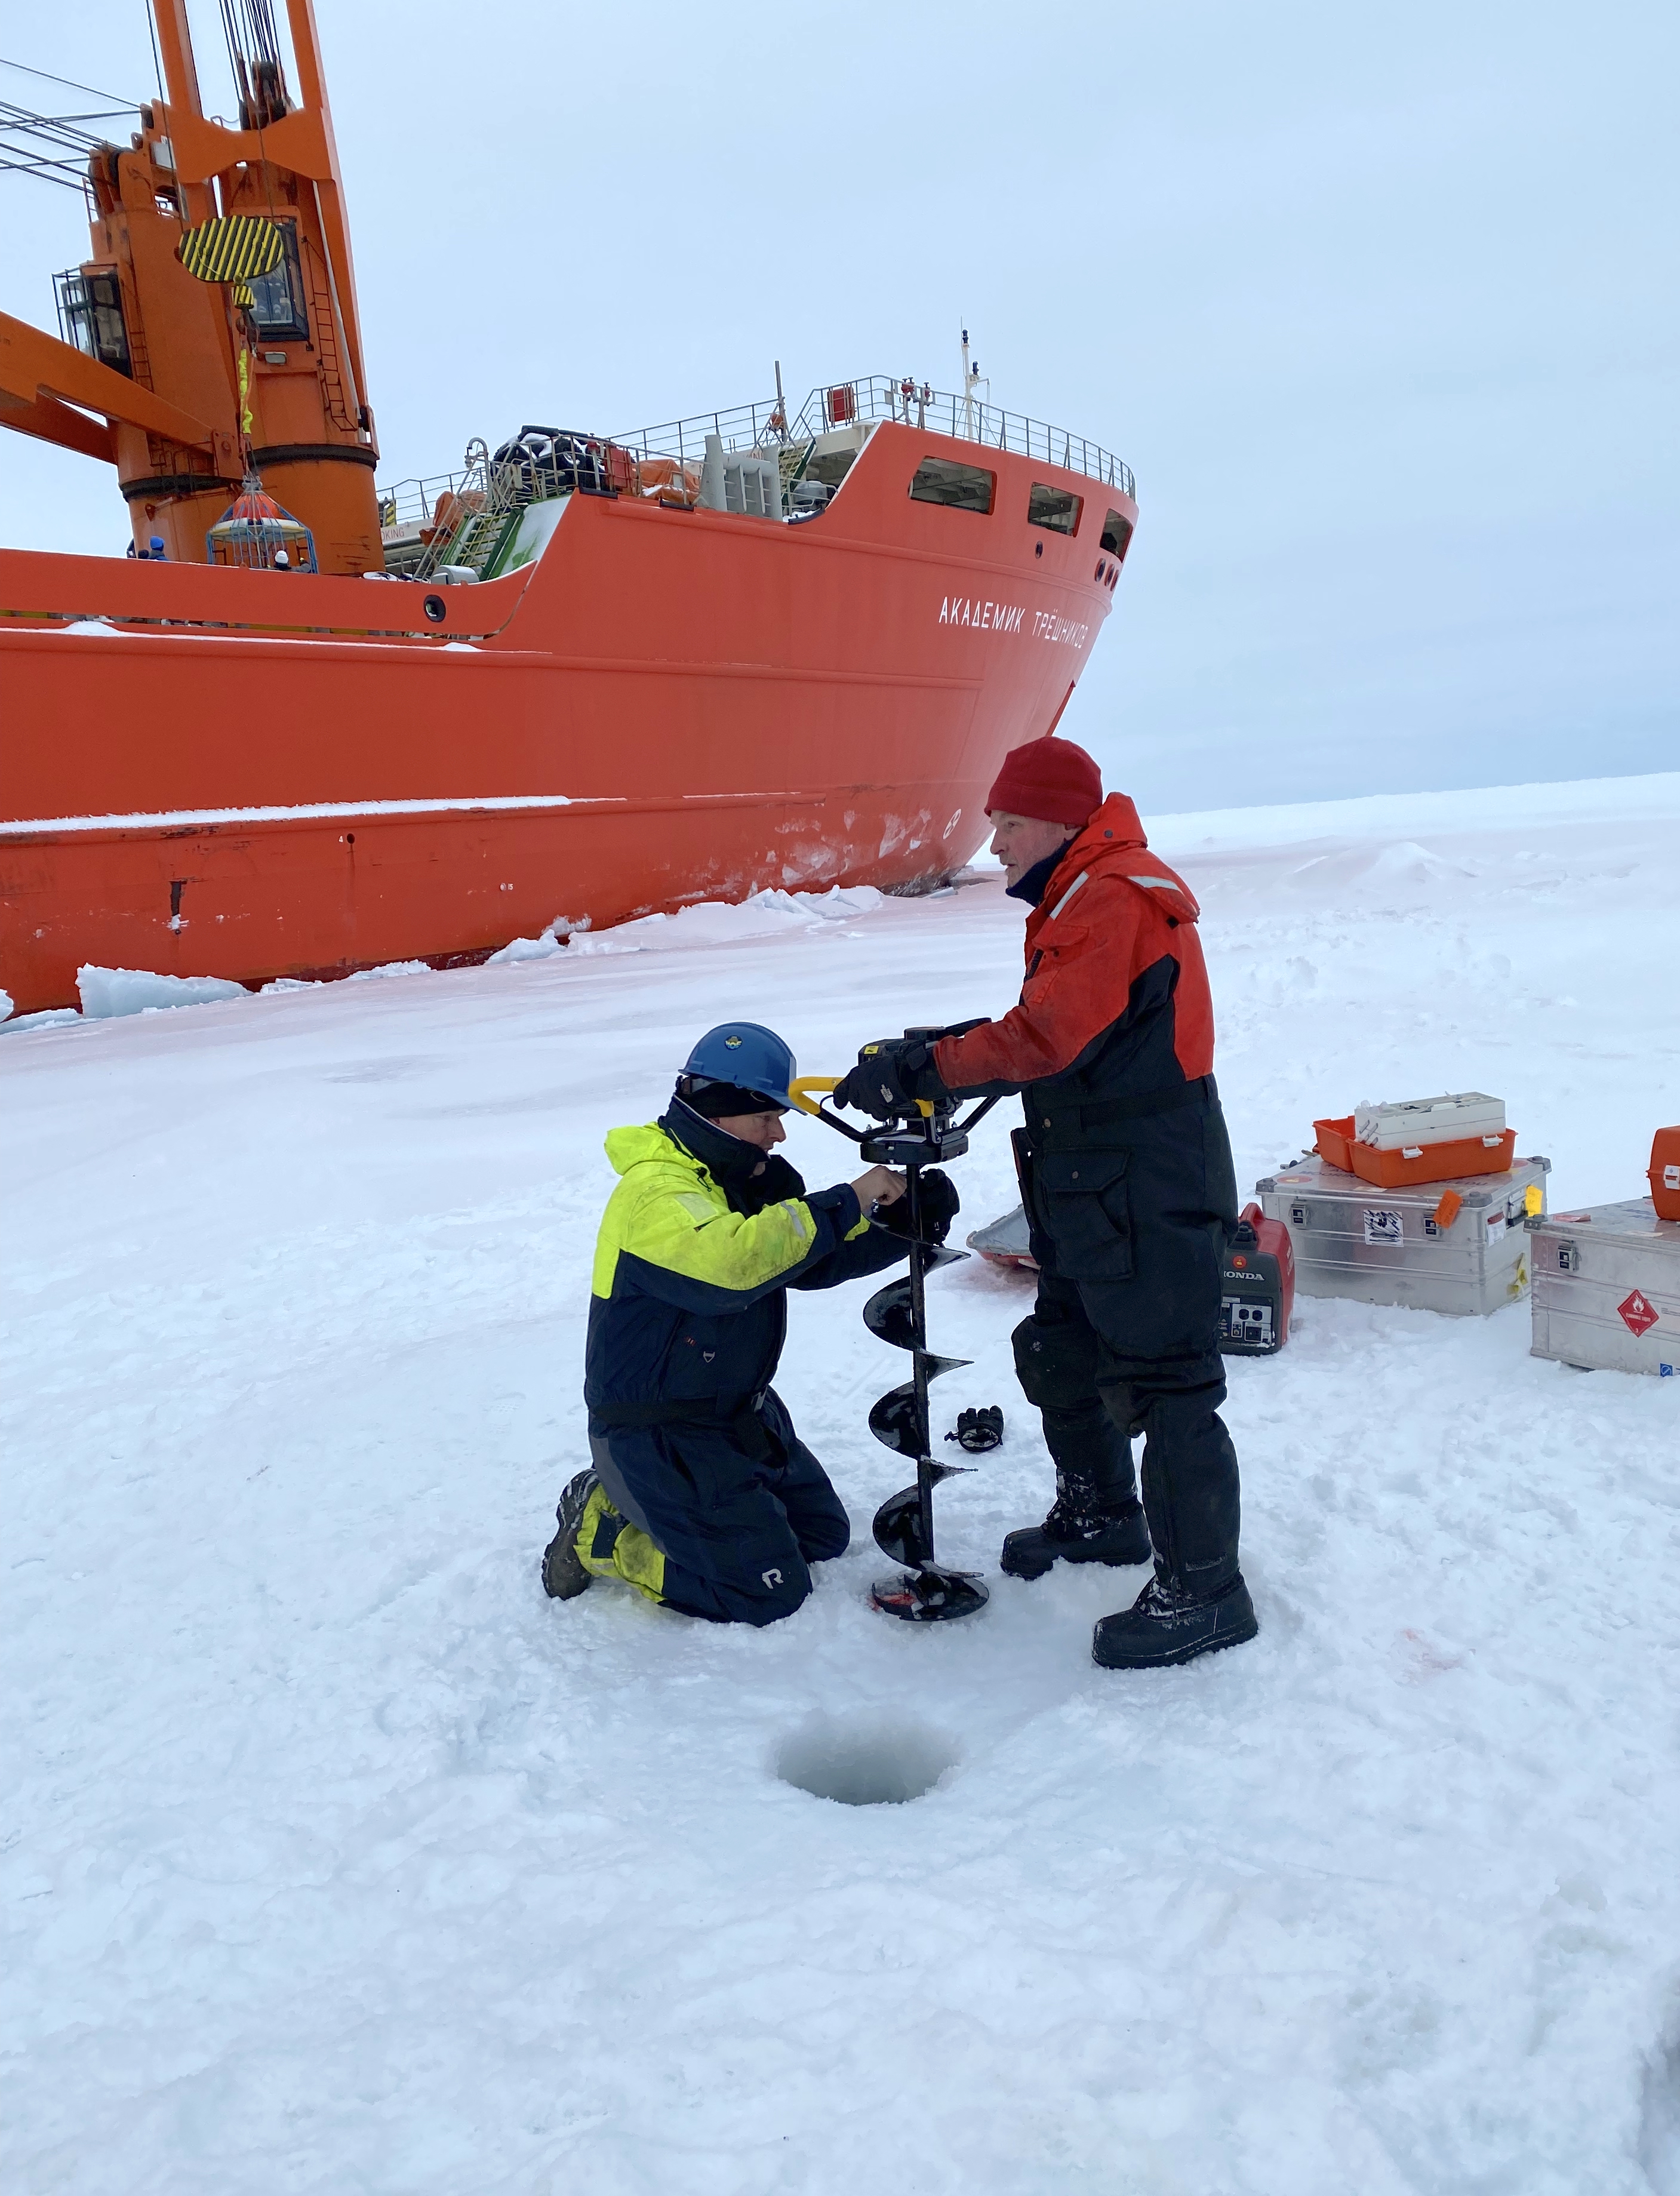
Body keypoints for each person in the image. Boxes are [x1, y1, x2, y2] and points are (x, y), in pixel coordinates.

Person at [834, 737, 1256, 1669]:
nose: (995, 844)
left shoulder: (1113, 894)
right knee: (1061, 1347)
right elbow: (1068, 1025)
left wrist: (928, 1069)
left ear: (1061, 820)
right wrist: (939, 1049)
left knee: (1167, 1382)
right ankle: (1101, 1514)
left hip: (1146, 1174)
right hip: (1085, 1174)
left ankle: (1206, 1592)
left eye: (1009, 823)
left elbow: (1048, 1036)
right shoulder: (1080, 892)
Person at [541, 1022, 959, 1626]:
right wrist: (848, 1198)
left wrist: (902, 1226)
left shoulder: (735, 1177)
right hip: (661, 1431)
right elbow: (731, 1268)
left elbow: (807, 1262)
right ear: (718, 1111)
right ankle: (601, 1533)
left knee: (822, 1538)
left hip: (739, 1411)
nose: (778, 1133)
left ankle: (691, 1515)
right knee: (768, 1592)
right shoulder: (656, 1194)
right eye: (766, 1117)